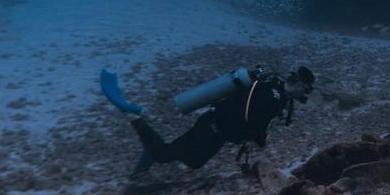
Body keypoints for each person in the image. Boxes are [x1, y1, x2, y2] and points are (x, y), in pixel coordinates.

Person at [130, 65, 313, 172]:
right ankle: (135, 118)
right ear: (300, 84)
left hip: (216, 128)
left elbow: (249, 113)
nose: (304, 95)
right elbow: (255, 120)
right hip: (212, 128)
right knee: (165, 154)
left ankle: (151, 147)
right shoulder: (275, 98)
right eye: (306, 89)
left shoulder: (274, 85)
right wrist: (260, 139)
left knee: (195, 162)